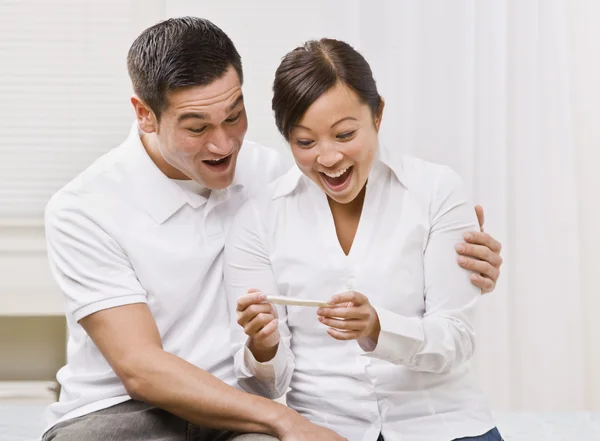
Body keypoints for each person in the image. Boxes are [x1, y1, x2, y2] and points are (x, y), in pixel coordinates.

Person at [42, 17, 502, 441]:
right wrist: (287, 421)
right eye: (196, 127)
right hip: (124, 412)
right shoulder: (83, 208)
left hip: (239, 412)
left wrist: (457, 253)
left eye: (234, 116)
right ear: (145, 114)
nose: (223, 144)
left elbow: (376, 231)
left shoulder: (270, 174)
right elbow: (141, 369)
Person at [227, 38, 503, 441]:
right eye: (305, 142)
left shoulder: (436, 191)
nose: (327, 158)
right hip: (326, 429)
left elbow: (456, 339)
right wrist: (263, 347)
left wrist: (378, 327)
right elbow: (267, 387)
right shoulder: (259, 217)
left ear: (377, 115)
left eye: (344, 135)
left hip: (442, 423)